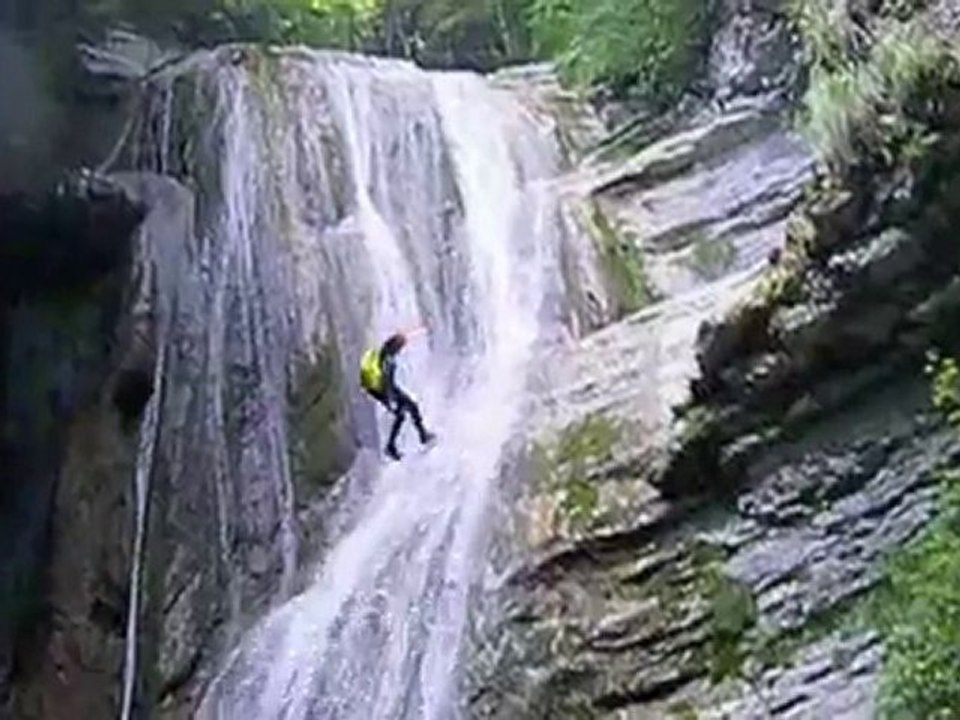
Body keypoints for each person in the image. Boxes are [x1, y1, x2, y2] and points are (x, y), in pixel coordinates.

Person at [359, 331, 435, 460]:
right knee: (402, 414)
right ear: (396, 347)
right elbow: (386, 381)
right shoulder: (389, 360)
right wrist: (390, 400)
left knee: (410, 408)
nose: (401, 350)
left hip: (378, 389)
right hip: (384, 391)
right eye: (400, 347)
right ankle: (393, 446)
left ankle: (421, 436)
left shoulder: (382, 351)